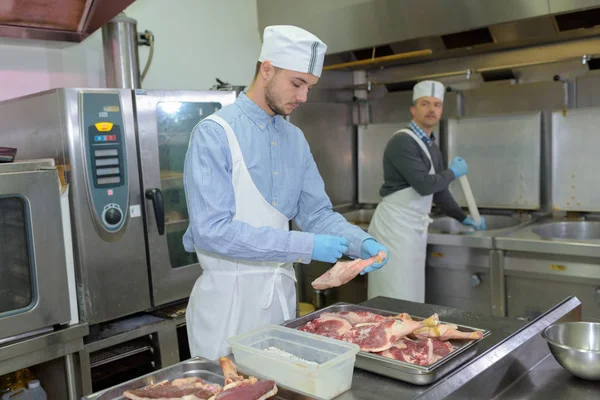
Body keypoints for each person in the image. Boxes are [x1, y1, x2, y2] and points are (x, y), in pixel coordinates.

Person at [182, 25, 389, 360]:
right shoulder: (214, 134)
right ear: (267, 69)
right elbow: (212, 232)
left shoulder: (295, 139)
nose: (304, 96)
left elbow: (316, 215)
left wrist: (358, 241)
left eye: (309, 86)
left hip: (280, 305)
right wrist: (306, 245)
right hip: (227, 309)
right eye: (297, 83)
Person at [367, 80, 486, 303]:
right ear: (413, 109)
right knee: (394, 296)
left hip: (412, 230)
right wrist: (453, 172)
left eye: (437, 104)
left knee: (411, 297)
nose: (432, 109)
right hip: (394, 229)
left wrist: (463, 218)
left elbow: (438, 191)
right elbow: (425, 185)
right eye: (425, 103)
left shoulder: (430, 144)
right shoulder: (403, 142)